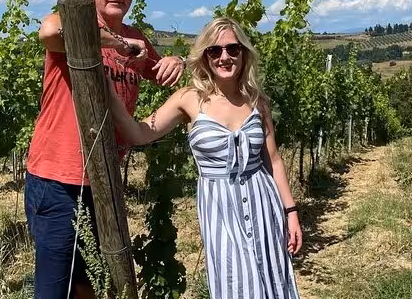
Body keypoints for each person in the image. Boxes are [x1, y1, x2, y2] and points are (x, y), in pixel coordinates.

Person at [24, 0, 186, 299]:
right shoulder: (72, 21)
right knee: (56, 290)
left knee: (93, 288)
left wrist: (178, 60)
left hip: (105, 180)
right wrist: (117, 43)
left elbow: (162, 73)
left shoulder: (137, 39)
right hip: (59, 180)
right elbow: (48, 33)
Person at [107, 16, 303, 299]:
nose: (225, 57)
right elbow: (140, 133)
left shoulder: (256, 101)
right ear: (205, 56)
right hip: (220, 209)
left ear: (243, 53)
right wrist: (108, 93)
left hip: (263, 202)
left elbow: (273, 160)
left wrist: (291, 213)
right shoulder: (188, 98)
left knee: (272, 278)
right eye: (215, 50)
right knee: (236, 284)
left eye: (233, 49)